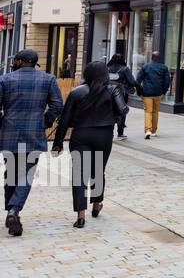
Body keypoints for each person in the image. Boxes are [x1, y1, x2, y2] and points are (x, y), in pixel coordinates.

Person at [52, 61, 126, 228]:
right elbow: (121, 111)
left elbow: (64, 120)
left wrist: (58, 143)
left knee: (79, 175)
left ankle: (80, 215)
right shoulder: (111, 90)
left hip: (81, 135)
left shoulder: (77, 92)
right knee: (98, 171)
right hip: (103, 135)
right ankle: (97, 203)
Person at [0, 49, 64, 237]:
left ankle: (11, 209)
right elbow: (57, 105)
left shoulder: (5, 79)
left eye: (15, 60)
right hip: (33, 132)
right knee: (26, 173)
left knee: (11, 171)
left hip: (9, 132)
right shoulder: (48, 79)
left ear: (20, 61)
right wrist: (44, 121)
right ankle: (14, 210)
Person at [135, 51, 172, 140]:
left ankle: (147, 130)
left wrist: (139, 92)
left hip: (147, 93)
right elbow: (167, 81)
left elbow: (138, 80)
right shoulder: (164, 67)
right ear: (159, 58)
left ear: (151, 57)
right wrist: (164, 91)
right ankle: (154, 131)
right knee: (155, 112)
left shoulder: (146, 66)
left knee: (148, 111)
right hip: (158, 93)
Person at [106, 53, 139, 141]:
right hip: (121, 93)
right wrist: (138, 86)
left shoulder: (107, 68)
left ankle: (110, 133)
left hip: (107, 92)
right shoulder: (125, 69)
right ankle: (120, 133)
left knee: (110, 111)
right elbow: (132, 81)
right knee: (122, 111)